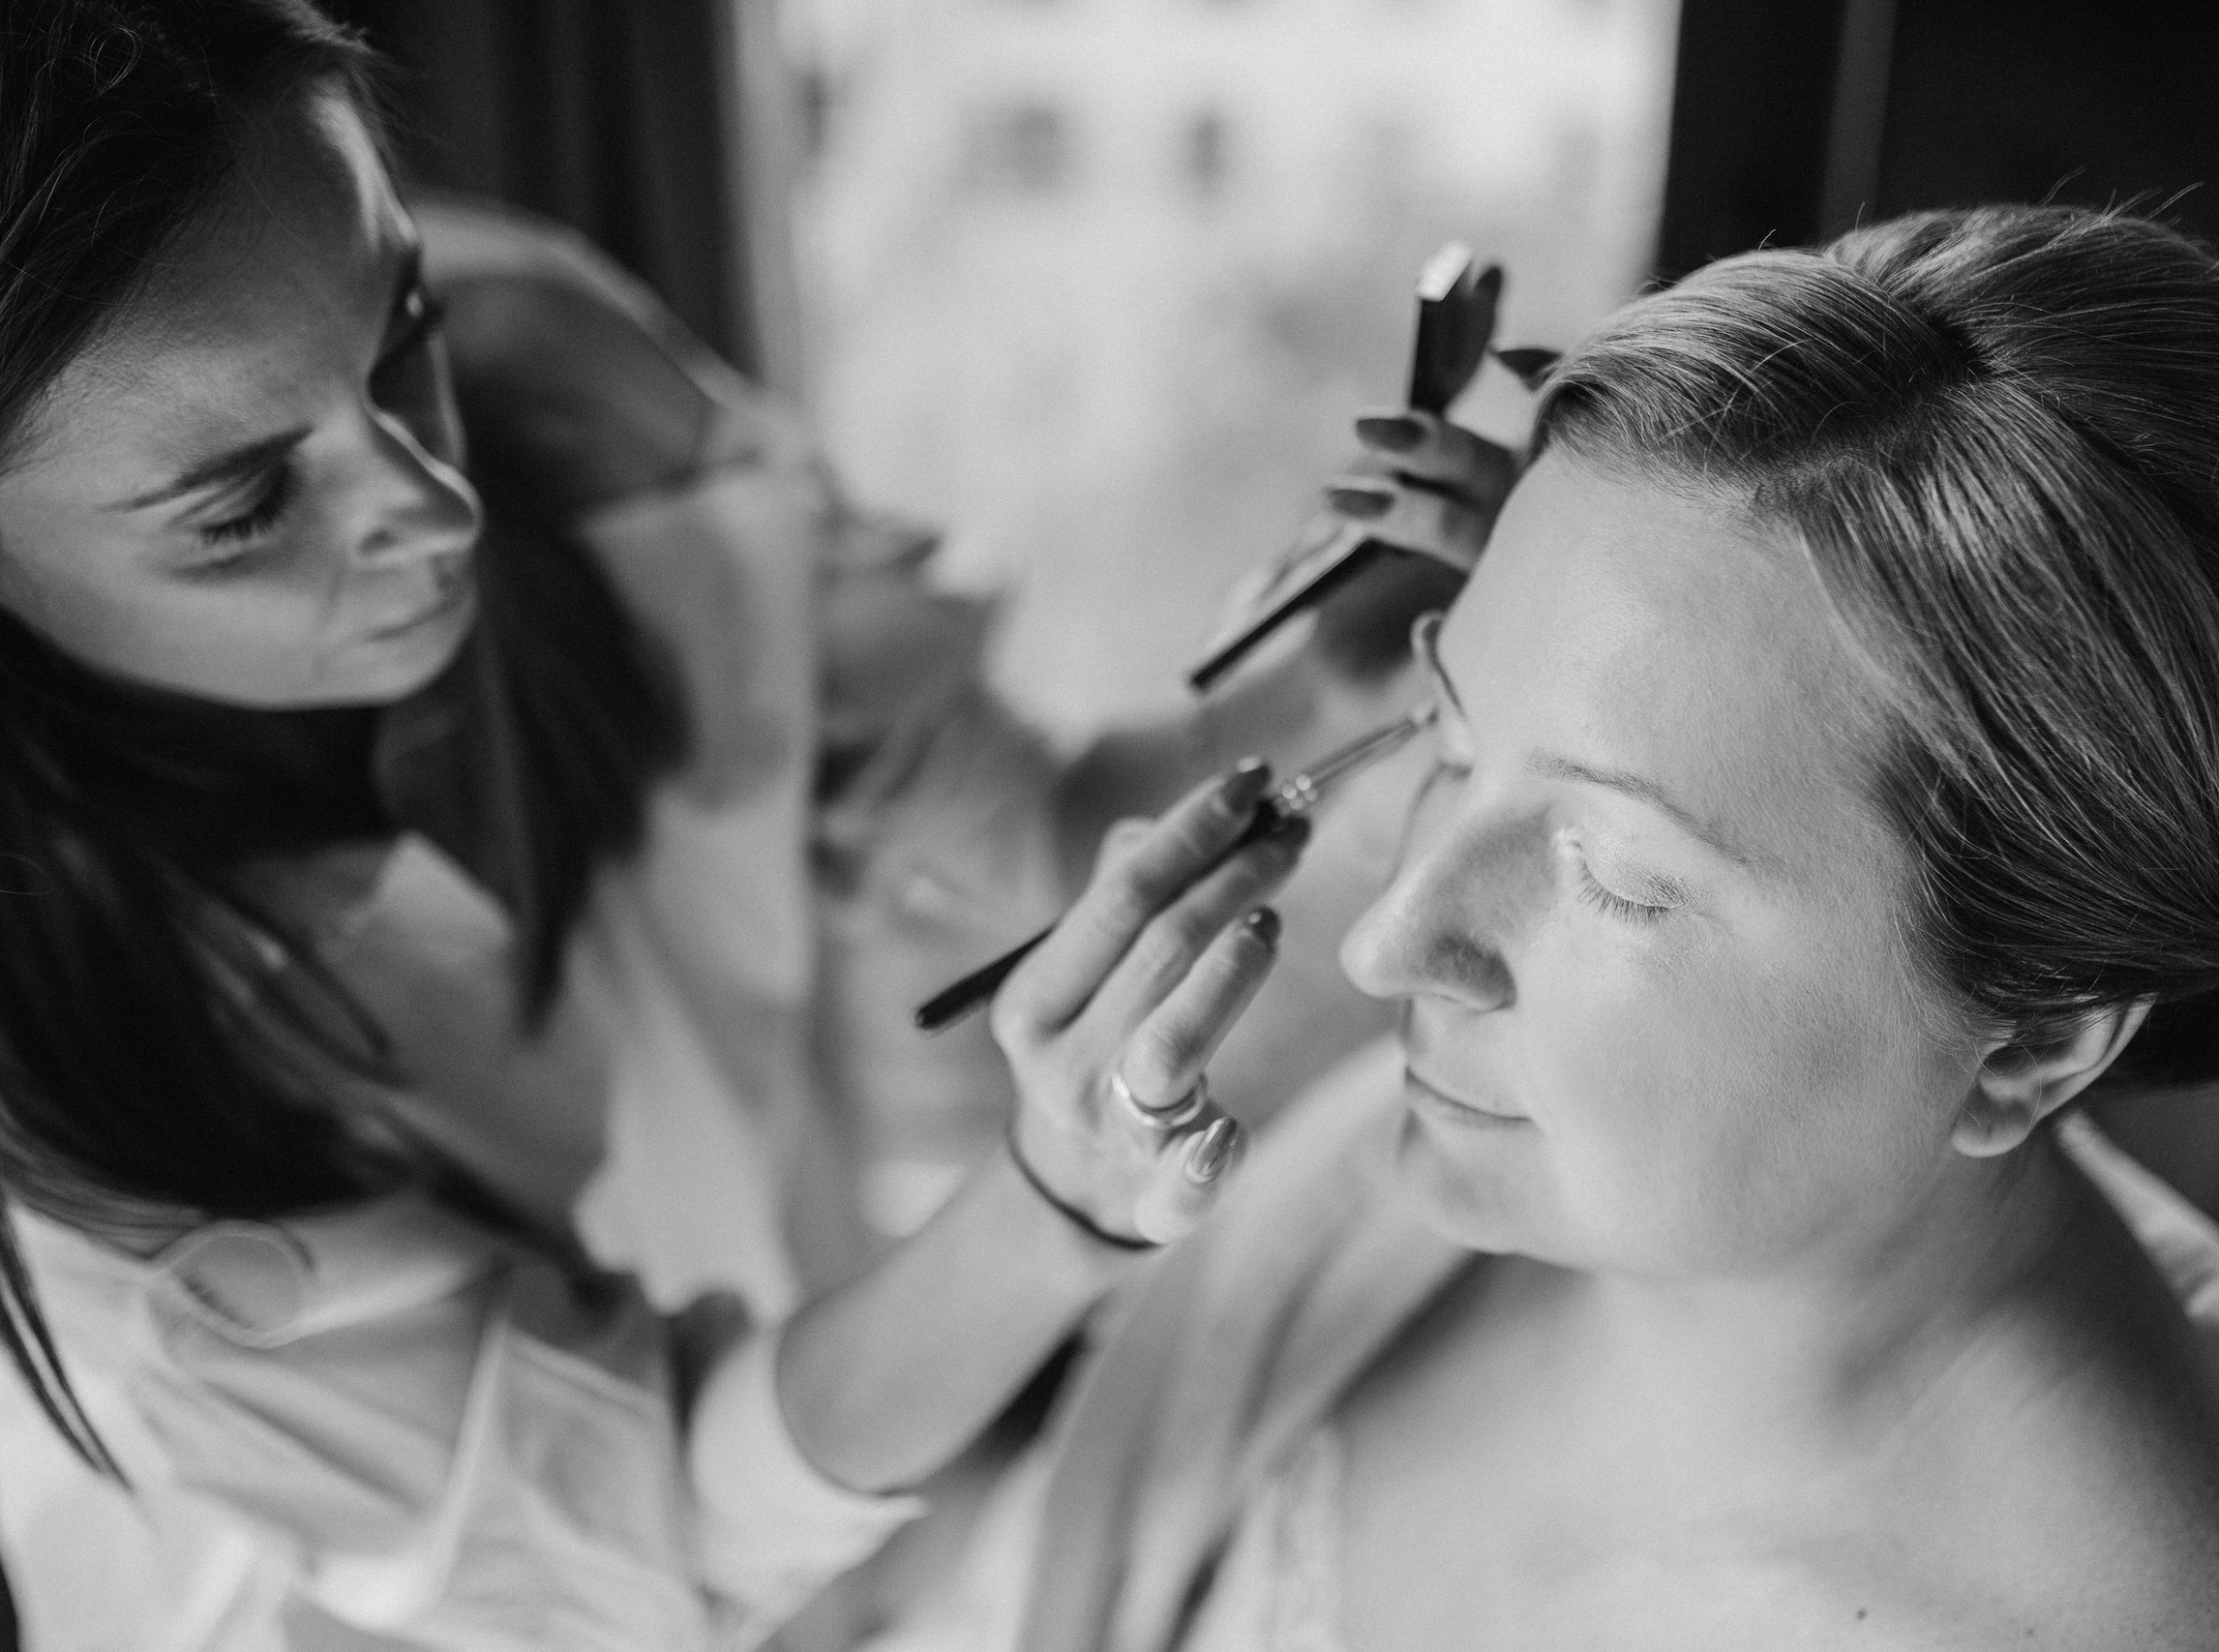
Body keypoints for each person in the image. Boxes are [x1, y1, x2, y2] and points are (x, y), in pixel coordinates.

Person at [868, 205, 2219, 1652]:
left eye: (1622, 878)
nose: (1388, 947)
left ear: (2037, 1039)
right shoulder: (1452, 1200)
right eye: (1446, 734)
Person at [0, 3, 1350, 1644]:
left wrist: (1310, 692)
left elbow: (970, 848)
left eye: (399, 330)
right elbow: (635, 1528)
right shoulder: (73, 1100)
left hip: (910, 1473)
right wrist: (1044, 1211)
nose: (440, 506)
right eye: (243, 507)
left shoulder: (550, 379)